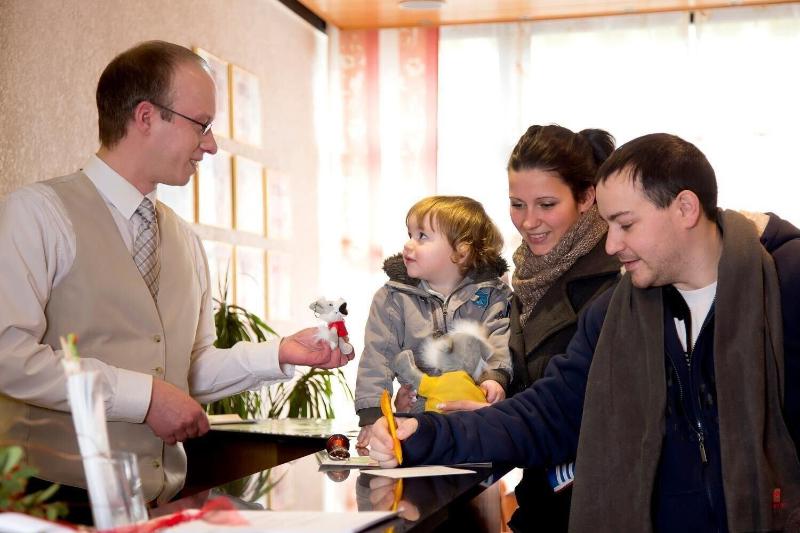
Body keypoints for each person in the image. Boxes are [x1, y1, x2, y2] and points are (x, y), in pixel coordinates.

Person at [369, 133, 800, 532]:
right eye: (608, 225)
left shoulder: (786, 282)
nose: (611, 245)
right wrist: (425, 433)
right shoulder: (615, 311)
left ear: (685, 209)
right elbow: (549, 414)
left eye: (626, 225)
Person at [0, 40, 351, 508]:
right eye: (201, 125)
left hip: (161, 502)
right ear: (146, 117)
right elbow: (8, 355)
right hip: (51, 502)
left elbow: (186, 368)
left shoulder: (184, 240)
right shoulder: (36, 214)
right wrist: (144, 398)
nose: (211, 144)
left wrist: (282, 353)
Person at [432, 124, 618, 532]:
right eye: (517, 204)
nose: (528, 221)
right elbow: (527, 383)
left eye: (547, 204)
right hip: (542, 500)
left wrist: (491, 421)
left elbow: (586, 410)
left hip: (593, 508)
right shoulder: (529, 278)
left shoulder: (616, 282)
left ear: (587, 197)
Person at [354, 195, 512, 447]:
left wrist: (495, 378)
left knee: (477, 484)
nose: (408, 245)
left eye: (422, 236)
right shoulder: (393, 297)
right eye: (409, 234)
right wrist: (373, 415)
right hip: (416, 420)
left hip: (473, 420)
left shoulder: (492, 295)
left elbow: (499, 338)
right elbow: (378, 357)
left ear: (461, 251)